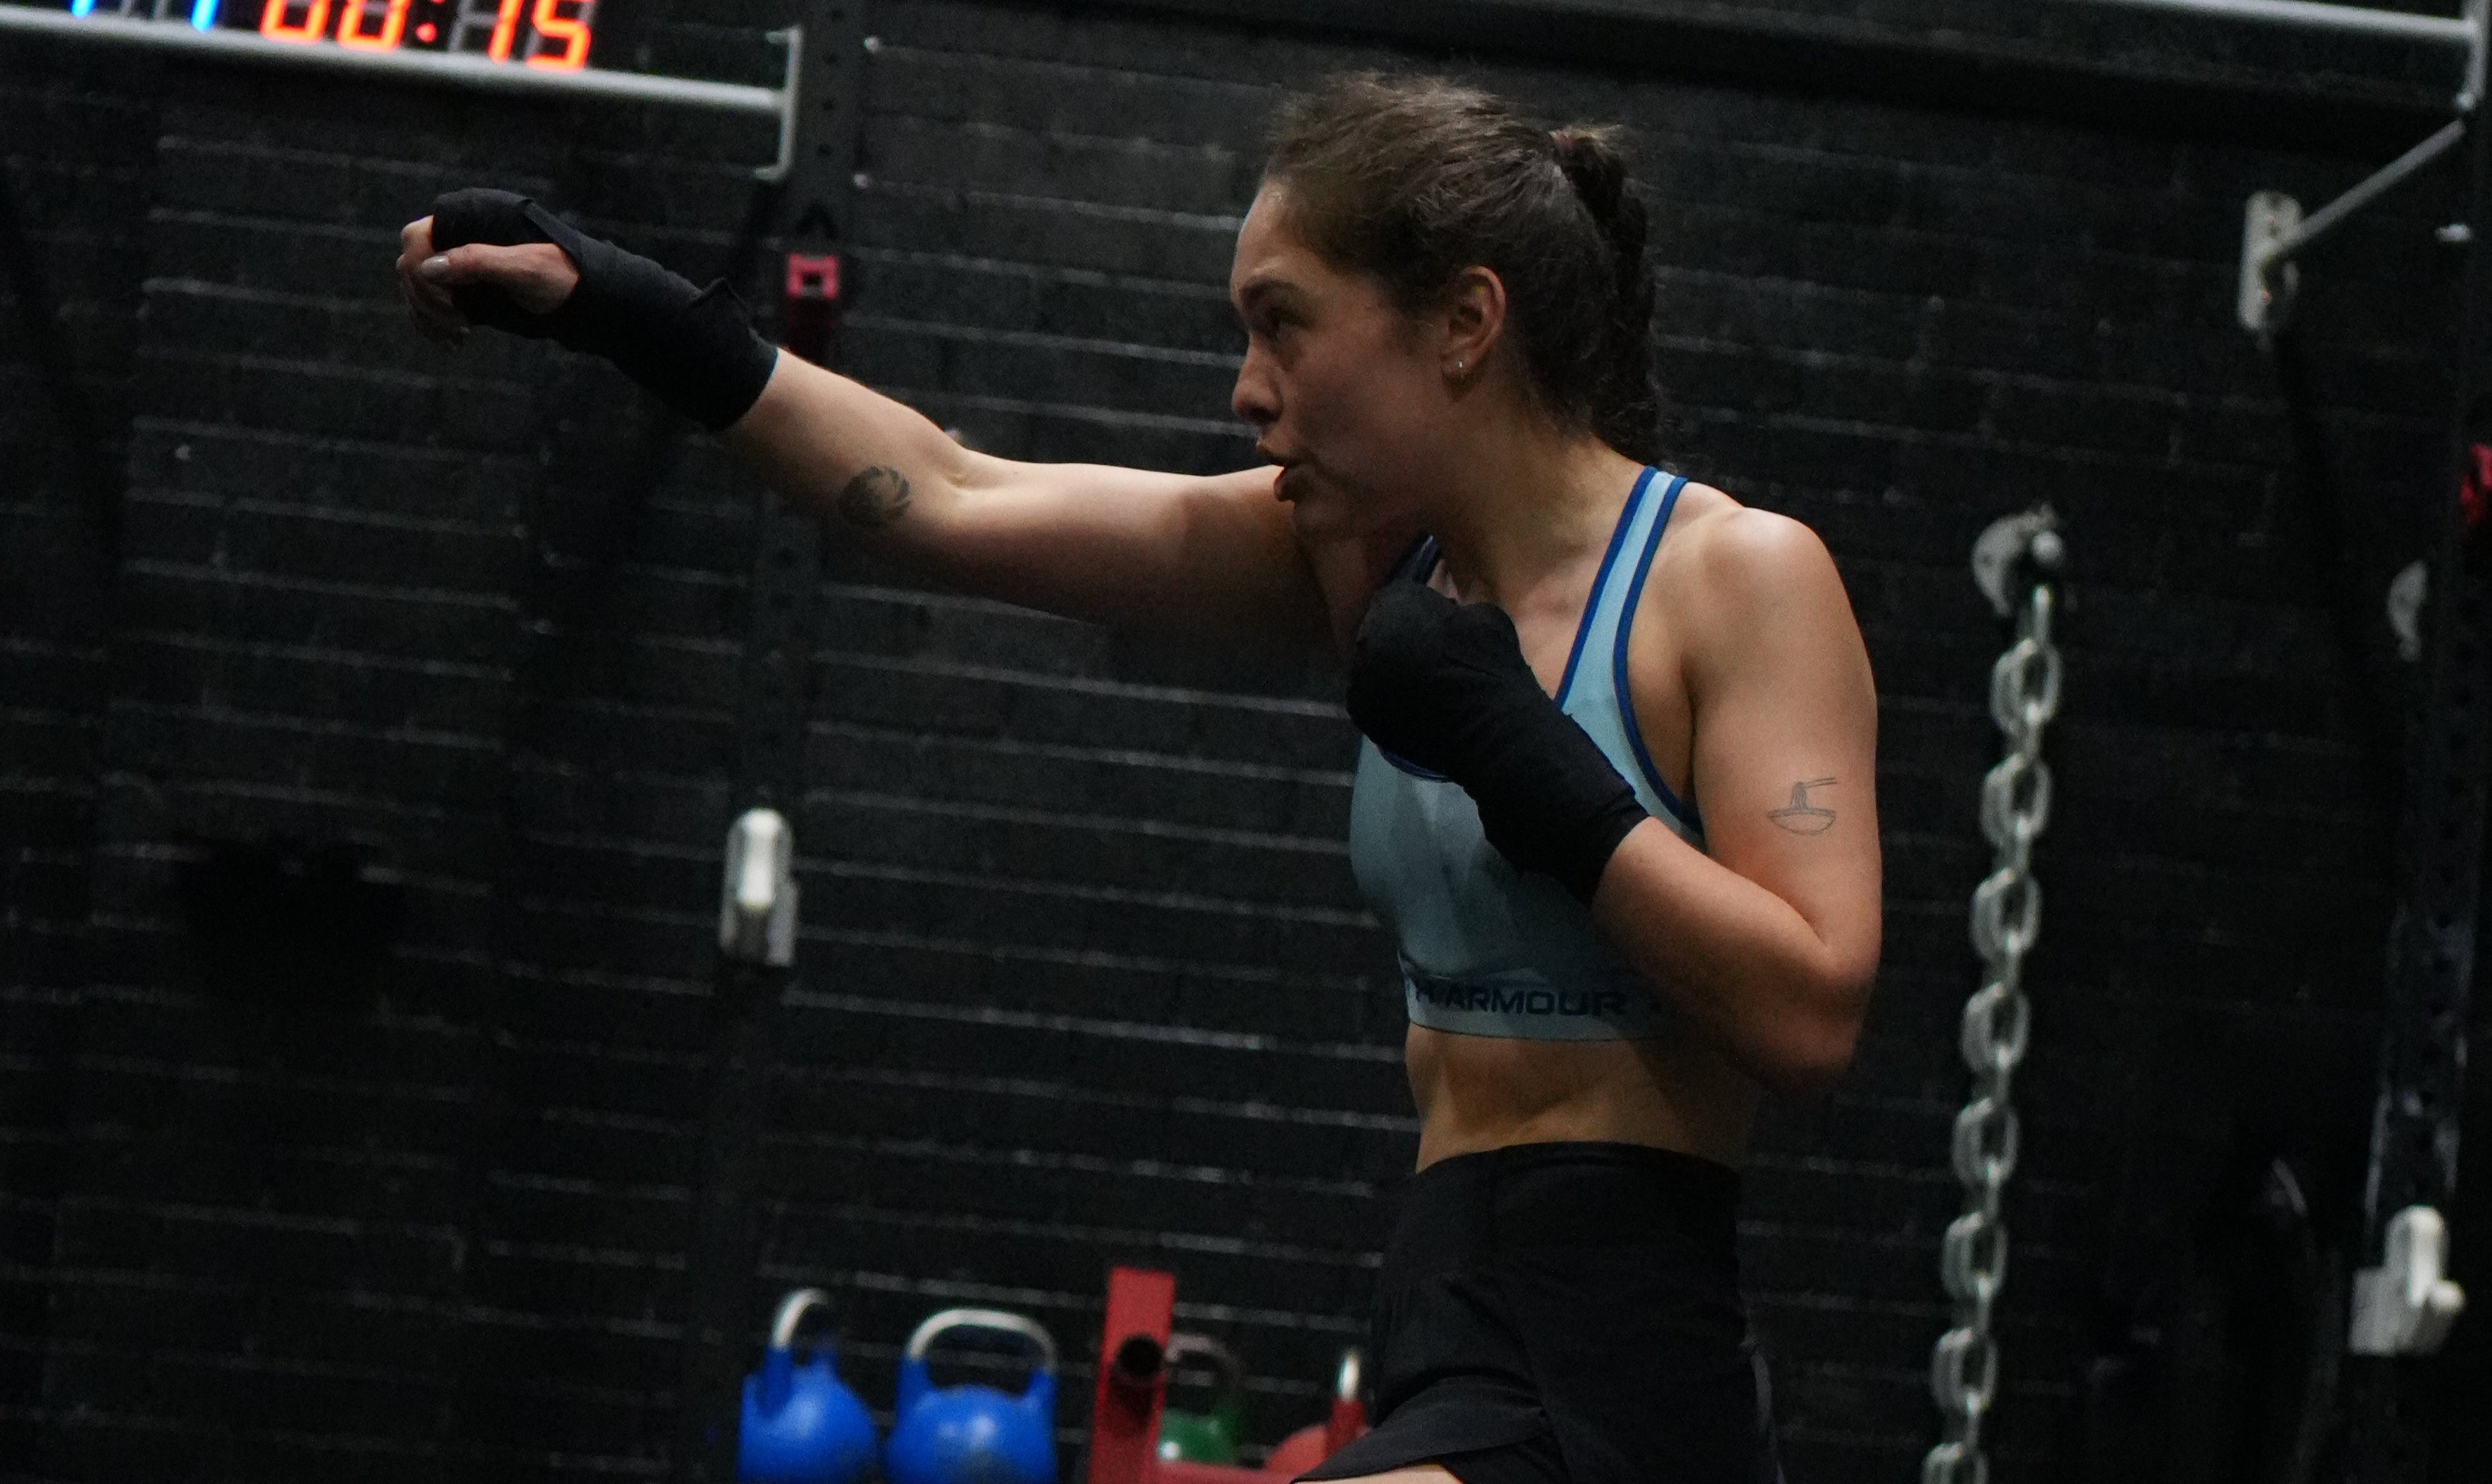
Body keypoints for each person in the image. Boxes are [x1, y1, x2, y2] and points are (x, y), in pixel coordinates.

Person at [394, 71, 1879, 1484]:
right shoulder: (1371, 566)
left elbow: (1810, 1011)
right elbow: (950, 499)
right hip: (1440, 1314)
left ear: (1464, 324)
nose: (1248, 389)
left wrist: (1519, 750)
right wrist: (624, 308)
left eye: (1283, 326)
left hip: (1620, 1349)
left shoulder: (1732, 581)